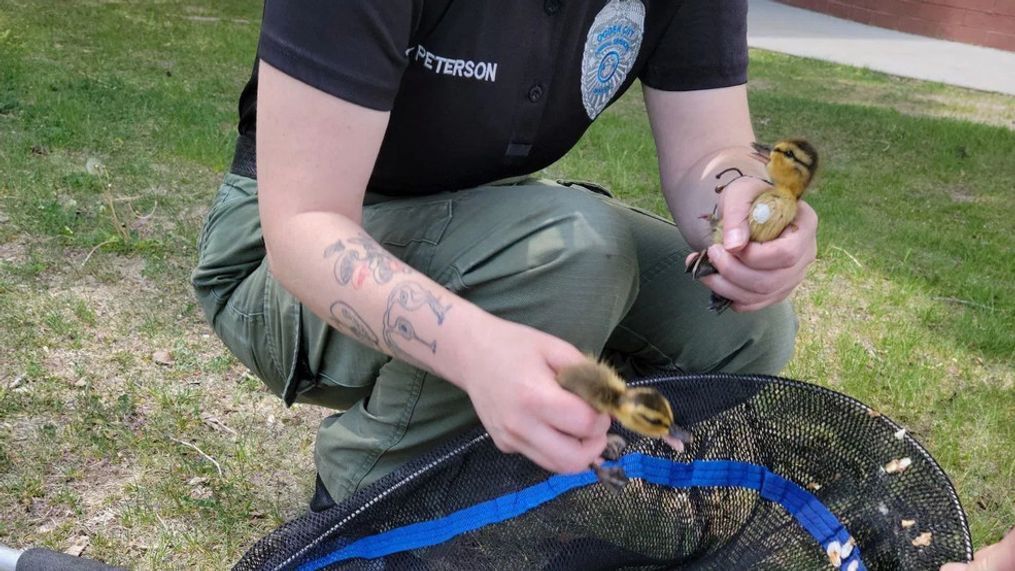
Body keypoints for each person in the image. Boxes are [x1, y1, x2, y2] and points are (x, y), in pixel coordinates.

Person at [191, 0, 818, 507]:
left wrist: (744, 201)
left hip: (484, 214)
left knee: (749, 326)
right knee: (572, 257)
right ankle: (367, 509)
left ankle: (543, 498)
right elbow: (302, 228)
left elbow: (710, 152)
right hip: (270, 259)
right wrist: (475, 351)